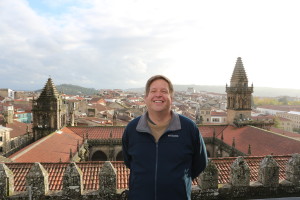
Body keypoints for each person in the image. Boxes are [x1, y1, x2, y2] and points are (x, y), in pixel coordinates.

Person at [122, 75, 208, 200]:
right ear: (146, 98)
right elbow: (129, 162)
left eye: (164, 91)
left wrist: (180, 182)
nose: (158, 95)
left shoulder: (189, 128)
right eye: (153, 91)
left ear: (171, 98)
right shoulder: (132, 128)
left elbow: (200, 163)